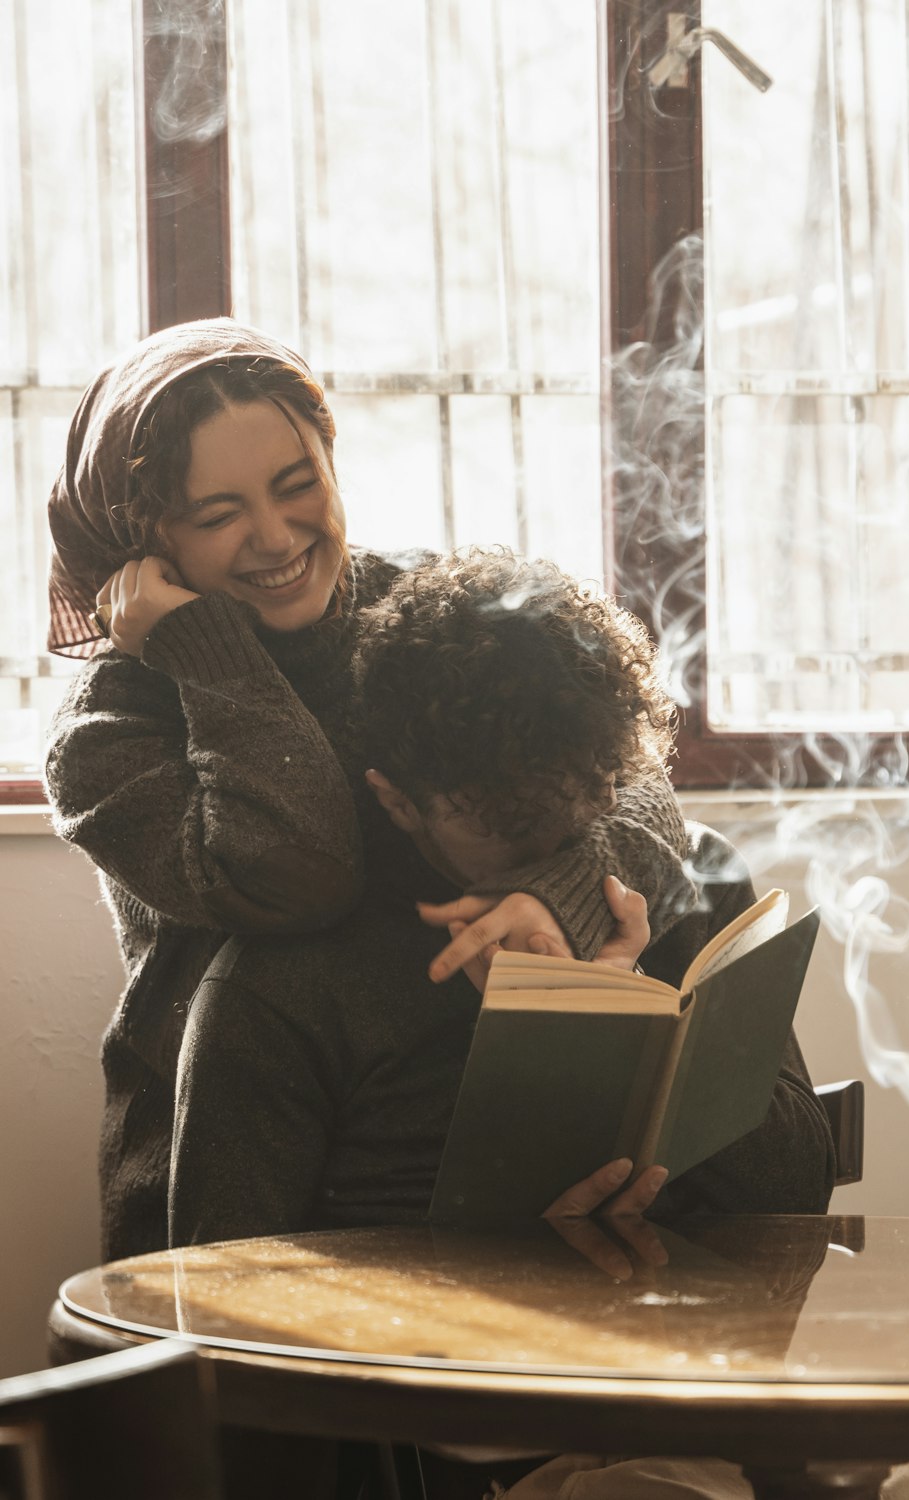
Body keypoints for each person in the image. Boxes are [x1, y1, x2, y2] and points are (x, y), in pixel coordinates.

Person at [43, 319, 700, 1262]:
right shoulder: (111, 731)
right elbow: (300, 874)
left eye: (296, 482)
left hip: (472, 1132)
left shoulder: (423, 607)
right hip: (246, 1187)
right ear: (144, 540)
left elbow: (630, 774)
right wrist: (208, 653)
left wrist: (551, 898)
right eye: (216, 514)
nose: (274, 536)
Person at [168, 548, 835, 1249]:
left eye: (589, 801)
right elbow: (218, 1288)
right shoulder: (292, 978)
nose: (558, 852)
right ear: (398, 803)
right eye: (507, 830)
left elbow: (796, 1189)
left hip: (683, 1340)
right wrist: (505, 1252)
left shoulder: (685, 877)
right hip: (411, 1350)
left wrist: (632, 1022)